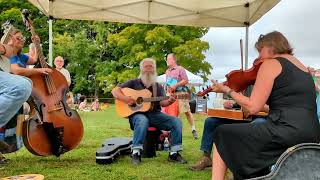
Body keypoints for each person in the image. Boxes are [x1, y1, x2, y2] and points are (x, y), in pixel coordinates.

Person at [210, 31, 320, 180]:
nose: (259, 57)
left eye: (260, 51)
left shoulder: (271, 63)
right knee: (247, 137)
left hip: (285, 131)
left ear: (270, 47)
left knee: (221, 133)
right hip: (311, 133)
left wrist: (227, 90)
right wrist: (244, 99)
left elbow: (253, 107)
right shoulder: (303, 69)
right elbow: (283, 107)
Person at [112, 58, 187, 165]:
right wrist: (126, 99)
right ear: (141, 68)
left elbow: (162, 103)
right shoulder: (133, 83)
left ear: (154, 69)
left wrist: (170, 100)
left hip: (155, 114)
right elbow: (115, 91)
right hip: (137, 114)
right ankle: (136, 152)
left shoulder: (158, 86)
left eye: (151, 66)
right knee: (142, 120)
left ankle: (174, 153)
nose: (148, 69)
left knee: (176, 122)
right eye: (146, 66)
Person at [189, 86, 268, 171]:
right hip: (243, 117)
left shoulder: (269, 84)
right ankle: (206, 158)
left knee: (257, 124)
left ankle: (249, 163)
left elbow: (273, 108)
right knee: (210, 121)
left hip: (259, 117)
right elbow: (239, 105)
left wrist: (253, 106)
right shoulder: (247, 84)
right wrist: (231, 105)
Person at [0, 34, 32, 164]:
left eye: (21, 38)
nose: (21, 40)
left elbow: (33, 58)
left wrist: (34, 43)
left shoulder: (20, 55)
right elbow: (16, 70)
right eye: (18, 38)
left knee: (26, 83)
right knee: (21, 86)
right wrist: (4, 48)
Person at [165, 53, 198, 139]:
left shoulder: (180, 69)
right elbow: (168, 83)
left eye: (169, 59)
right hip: (171, 94)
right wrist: (167, 89)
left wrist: (176, 86)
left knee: (187, 111)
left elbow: (185, 80)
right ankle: (173, 132)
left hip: (181, 94)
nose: (167, 61)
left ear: (174, 60)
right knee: (173, 113)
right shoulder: (167, 71)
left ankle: (193, 129)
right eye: (166, 59)